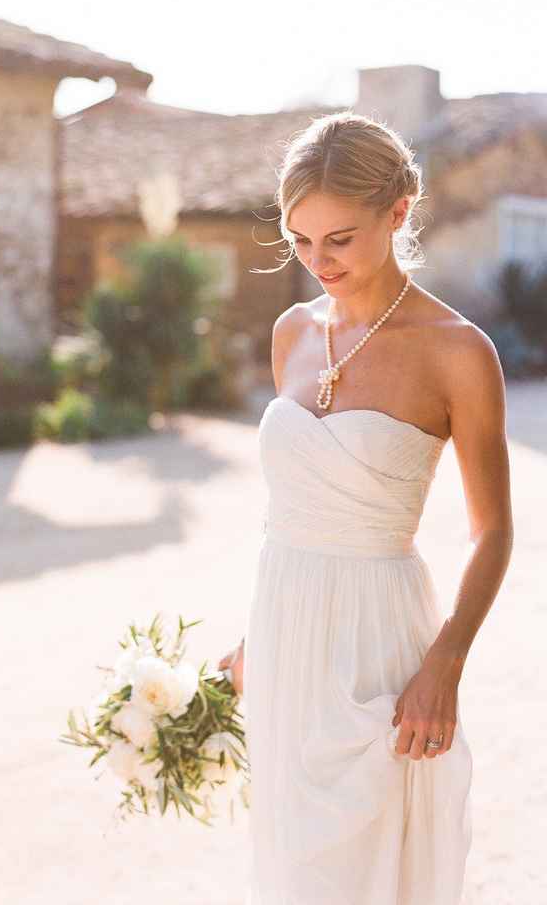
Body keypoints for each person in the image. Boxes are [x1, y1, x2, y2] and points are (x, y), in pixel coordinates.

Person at [218, 111, 514, 905]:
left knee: (370, 865)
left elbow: (493, 531)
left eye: (339, 239)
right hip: (285, 631)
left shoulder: (458, 351)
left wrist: (445, 661)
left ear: (398, 211)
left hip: (381, 639)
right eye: (300, 240)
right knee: (291, 867)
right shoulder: (291, 332)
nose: (318, 262)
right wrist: (253, 638)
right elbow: (294, 510)